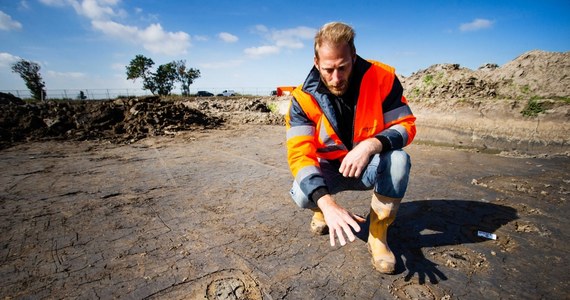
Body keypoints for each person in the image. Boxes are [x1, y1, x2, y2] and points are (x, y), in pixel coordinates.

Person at [285, 22, 416, 274]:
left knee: (399, 160)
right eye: (328, 69)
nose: (336, 78)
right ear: (316, 62)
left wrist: (371, 144)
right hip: (330, 169)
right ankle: (323, 212)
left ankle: (377, 235)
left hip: (368, 165)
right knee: (303, 193)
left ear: (353, 57)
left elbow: (405, 125)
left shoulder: (382, 77)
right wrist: (326, 202)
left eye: (342, 67)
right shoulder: (302, 99)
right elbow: (300, 154)